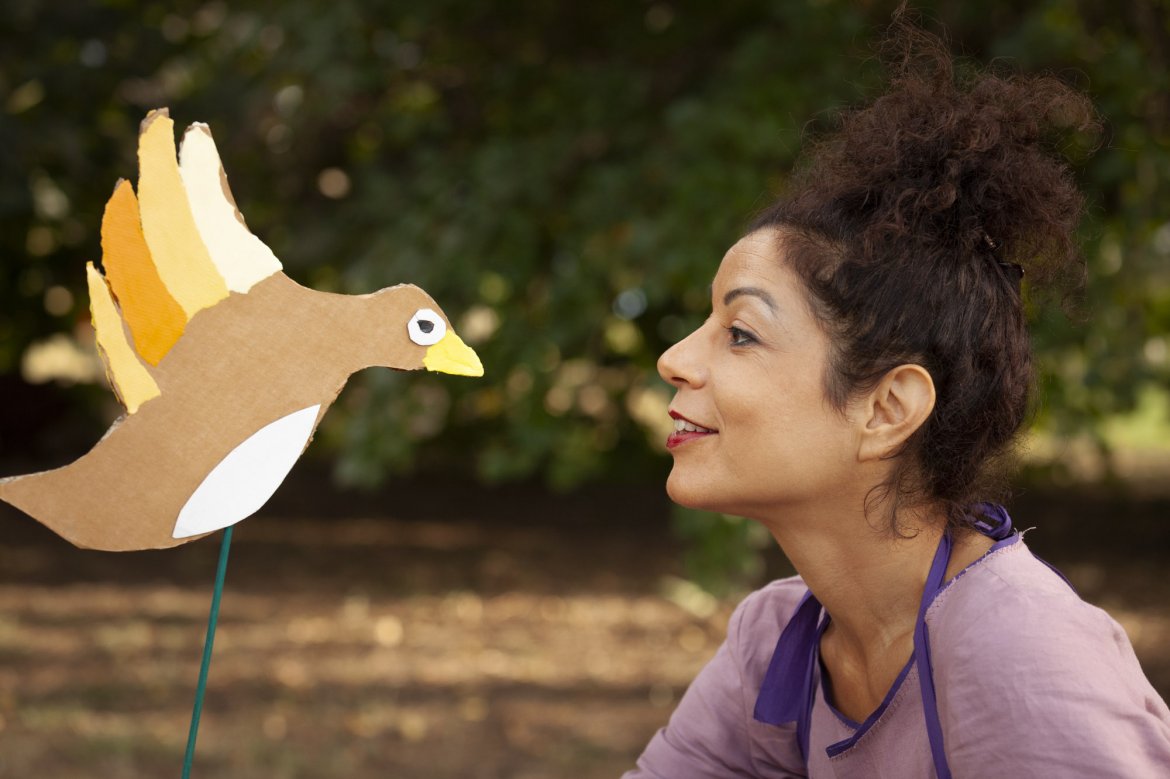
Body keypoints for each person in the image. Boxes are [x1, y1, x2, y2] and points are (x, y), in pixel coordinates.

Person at [625, 19, 1170, 779]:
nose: (675, 358)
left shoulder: (1021, 655)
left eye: (740, 333)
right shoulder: (776, 640)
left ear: (886, 409)